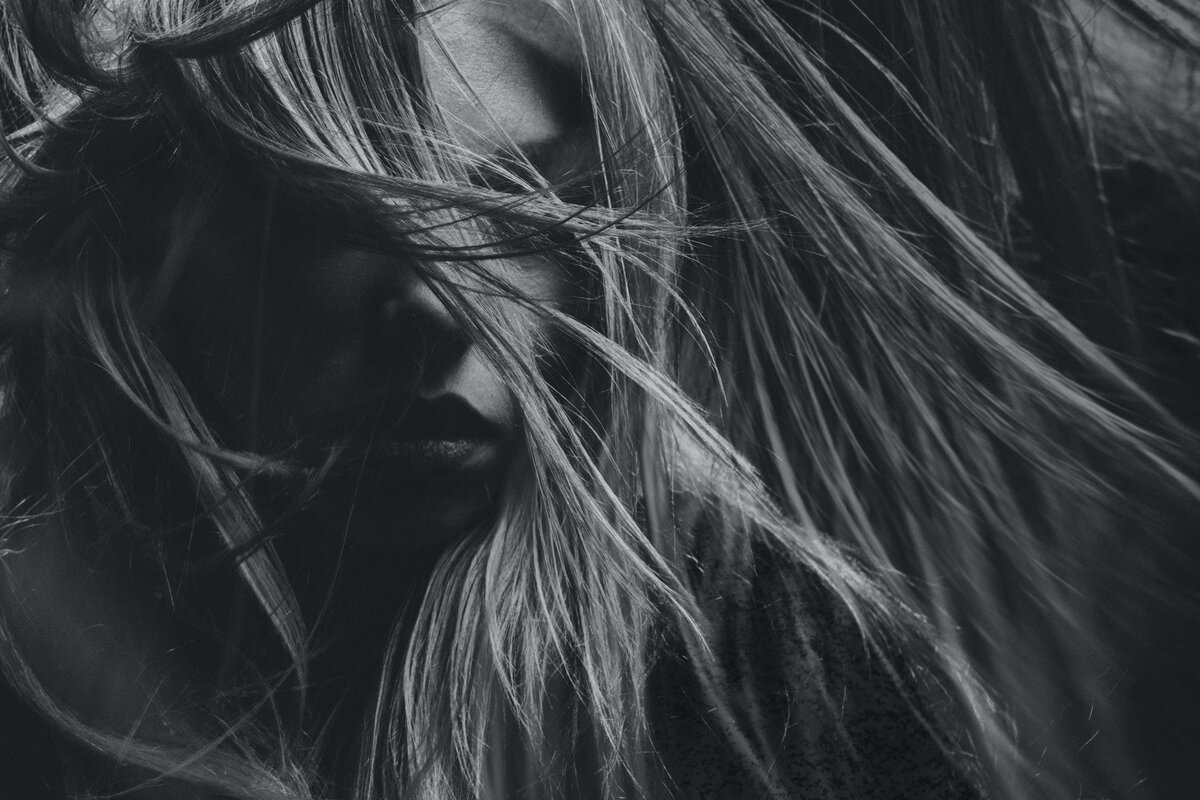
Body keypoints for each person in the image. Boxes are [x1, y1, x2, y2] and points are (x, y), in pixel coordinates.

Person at [0, 0, 1195, 798]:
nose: (430, 306)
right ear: (157, 265)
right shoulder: (62, 678)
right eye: (316, 220)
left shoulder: (750, 659)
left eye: (507, 201)